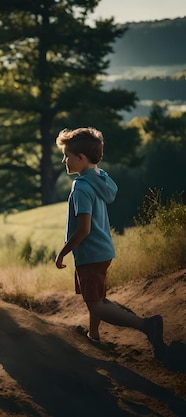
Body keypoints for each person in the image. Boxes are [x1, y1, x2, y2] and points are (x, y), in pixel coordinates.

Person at [55, 127, 165, 358]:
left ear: (81, 158)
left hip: (90, 254)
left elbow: (83, 229)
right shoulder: (99, 178)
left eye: (67, 155)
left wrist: (63, 252)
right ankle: (93, 335)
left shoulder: (81, 187)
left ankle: (147, 326)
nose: (64, 160)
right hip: (103, 251)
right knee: (97, 299)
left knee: (96, 304)